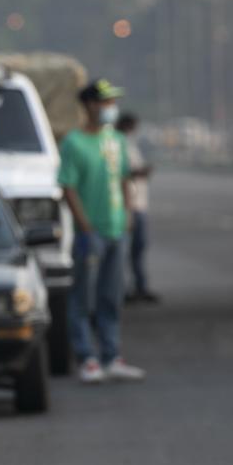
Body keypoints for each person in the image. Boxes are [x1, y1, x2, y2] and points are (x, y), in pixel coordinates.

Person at [58, 79, 146, 383]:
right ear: (90, 105)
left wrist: (129, 213)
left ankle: (111, 355)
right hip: (90, 232)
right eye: (105, 102)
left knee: (111, 296)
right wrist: (84, 226)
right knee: (83, 296)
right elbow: (67, 186)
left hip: (116, 229)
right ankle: (87, 357)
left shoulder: (116, 141)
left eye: (112, 102)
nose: (110, 107)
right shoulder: (73, 142)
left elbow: (124, 178)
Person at [116, 112, 159, 303]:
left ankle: (139, 287)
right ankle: (124, 289)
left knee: (137, 250)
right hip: (129, 206)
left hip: (138, 204)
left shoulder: (129, 144)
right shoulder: (118, 144)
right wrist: (140, 172)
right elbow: (121, 173)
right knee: (125, 250)